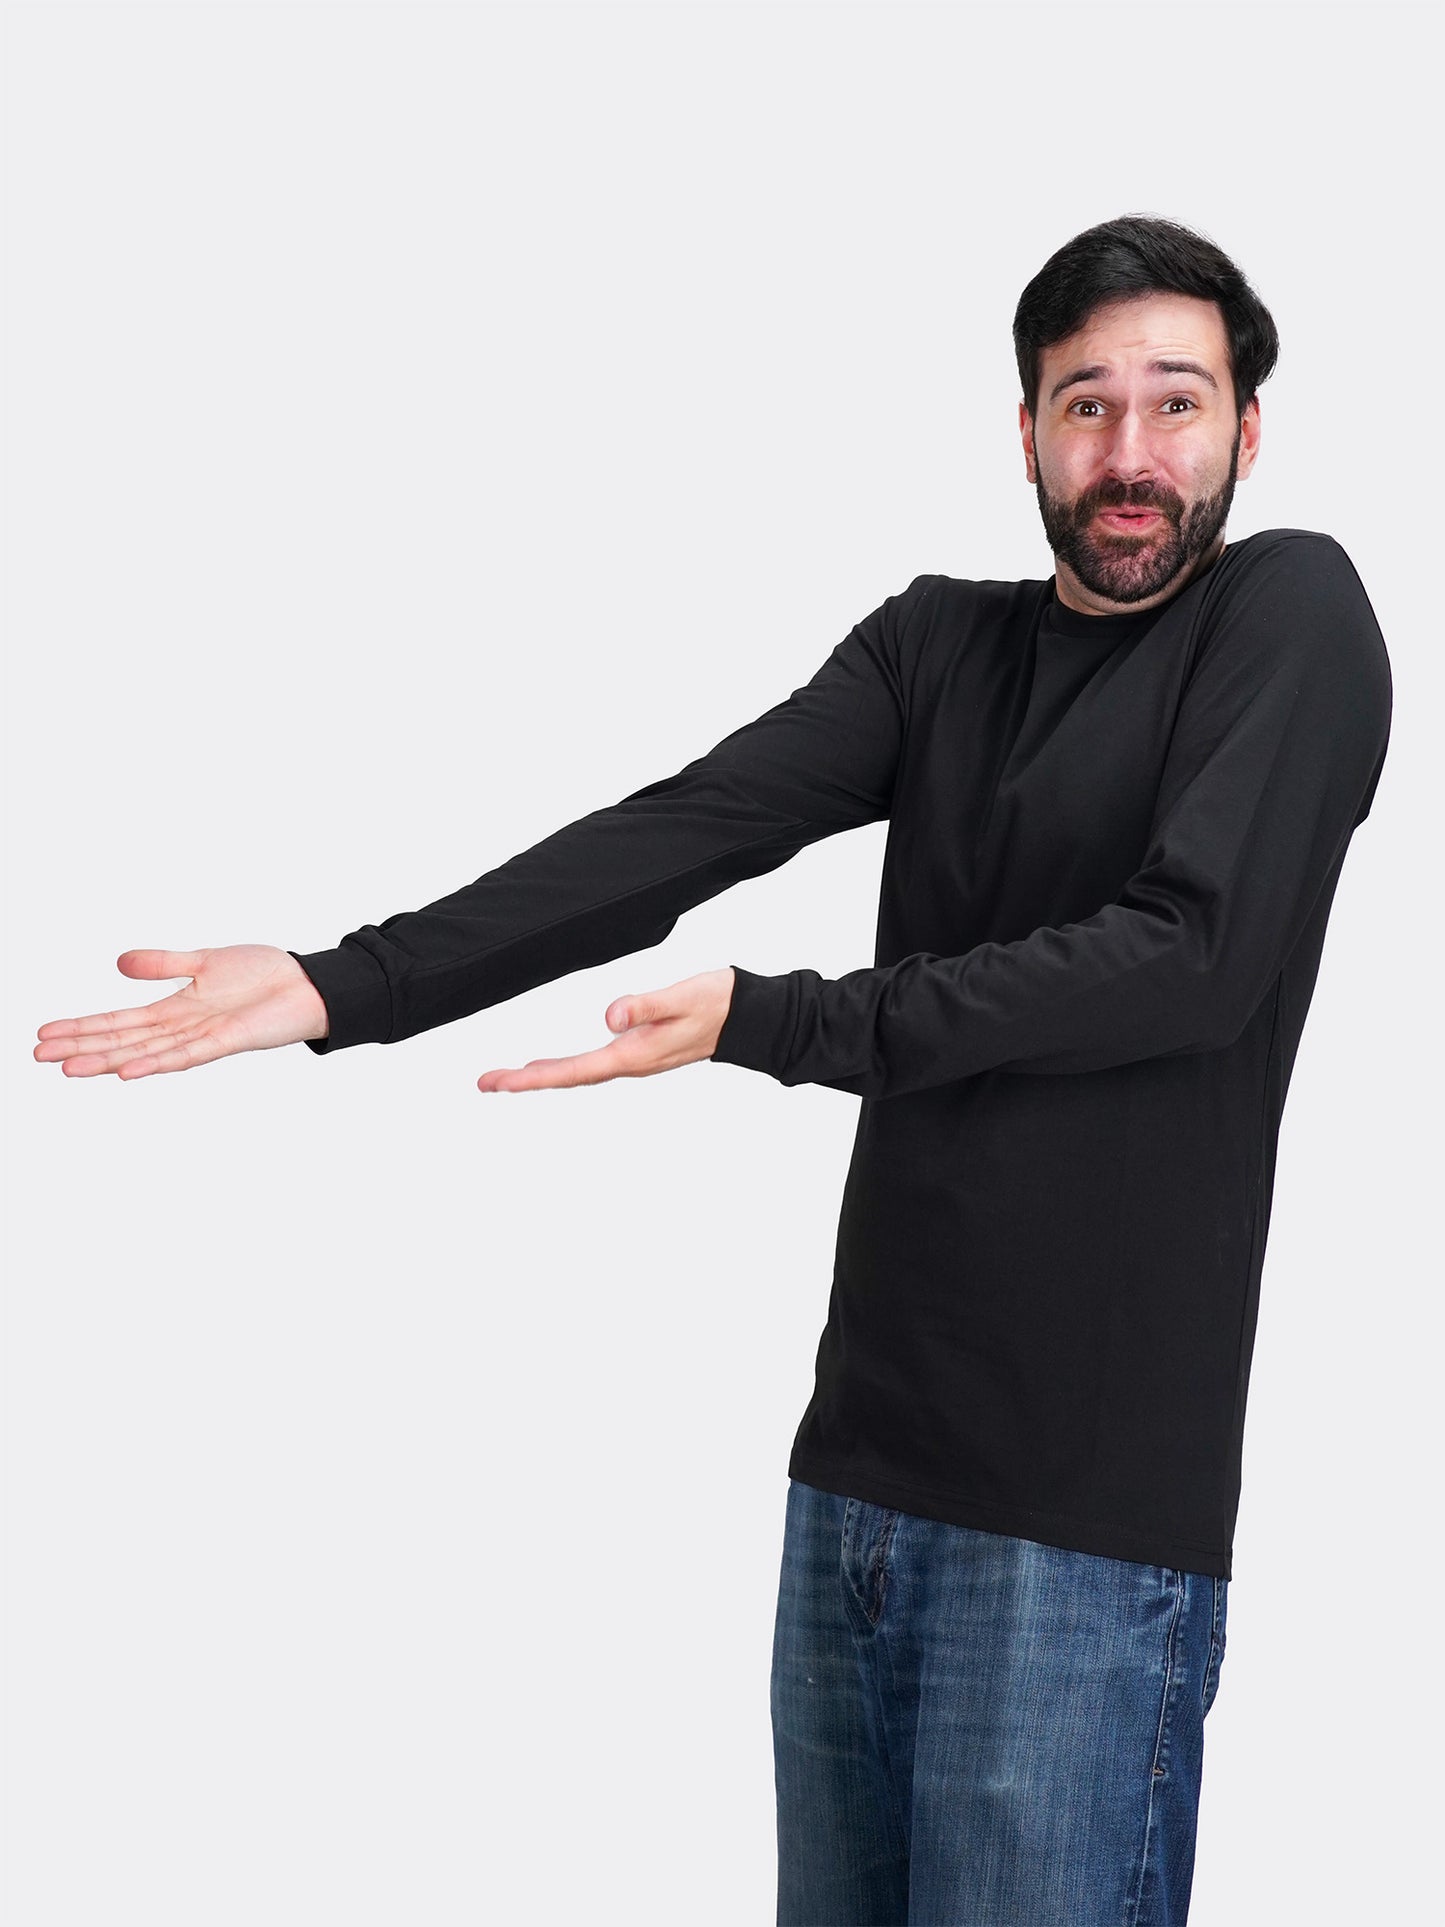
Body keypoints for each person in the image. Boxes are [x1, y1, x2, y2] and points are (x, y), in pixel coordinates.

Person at [34, 213, 1392, 1925]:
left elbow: (1186, 959)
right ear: (1025, 431)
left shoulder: (1286, 613)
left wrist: (779, 1019)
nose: (1130, 454)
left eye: (1175, 403)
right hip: (857, 1488)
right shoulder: (936, 645)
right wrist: (339, 981)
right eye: (1084, 405)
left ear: (1246, 432)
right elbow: (681, 829)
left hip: (1082, 1524)